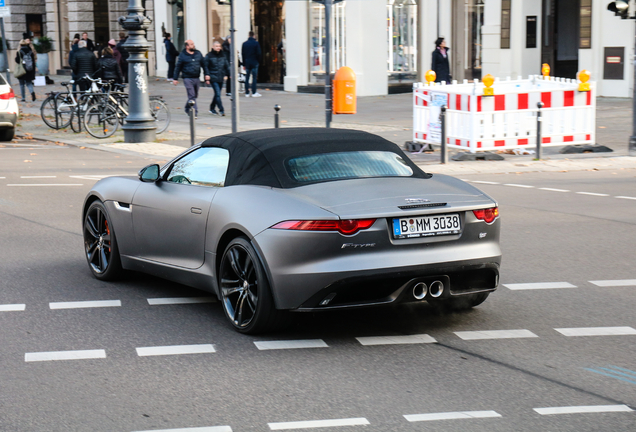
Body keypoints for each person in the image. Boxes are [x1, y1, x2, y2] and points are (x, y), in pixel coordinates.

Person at [173, 39, 209, 118]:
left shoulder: (198, 53)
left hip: (196, 78)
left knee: (194, 95)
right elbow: (178, 67)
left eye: (193, 44)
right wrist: (175, 78)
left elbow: (204, 64)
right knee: (191, 95)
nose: (193, 45)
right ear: (187, 46)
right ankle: (194, 113)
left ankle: (187, 107)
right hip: (187, 78)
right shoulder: (182, 55)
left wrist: (207, 74)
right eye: (191, 44)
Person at [204, 41, 230, 116]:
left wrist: (229, 74)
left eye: (219, 46)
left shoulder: (223, 55)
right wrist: (207, 76)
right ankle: (221, 110)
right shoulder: (209, 56)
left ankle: (212, 108)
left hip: (221, 77)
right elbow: (206, 67)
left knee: (217, 94)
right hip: (213, 77)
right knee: (218, 94)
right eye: (216, 46)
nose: (218, 48)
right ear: (213, 47)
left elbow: (226, 65)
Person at [15, 37, 37, 102]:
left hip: (22, 70)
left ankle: (23, 98)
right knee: (29, 83)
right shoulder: (30, 52)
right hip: (29, 70)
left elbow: (18, 61)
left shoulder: (20, 52)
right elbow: (33, 61)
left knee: (22, 84)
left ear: (20, 45)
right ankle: (32, 92)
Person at [241, 31, 262, 97]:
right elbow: (259, 53)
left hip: (247, 62)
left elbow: (243, 54)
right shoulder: (256, 43)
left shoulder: (244, 44)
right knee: (254, 78)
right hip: (254, 62)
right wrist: (258, 61)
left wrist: (244, 64)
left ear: (248, 36)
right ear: (254, 36)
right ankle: (254, 92)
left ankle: (247, 92)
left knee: (247, 78)